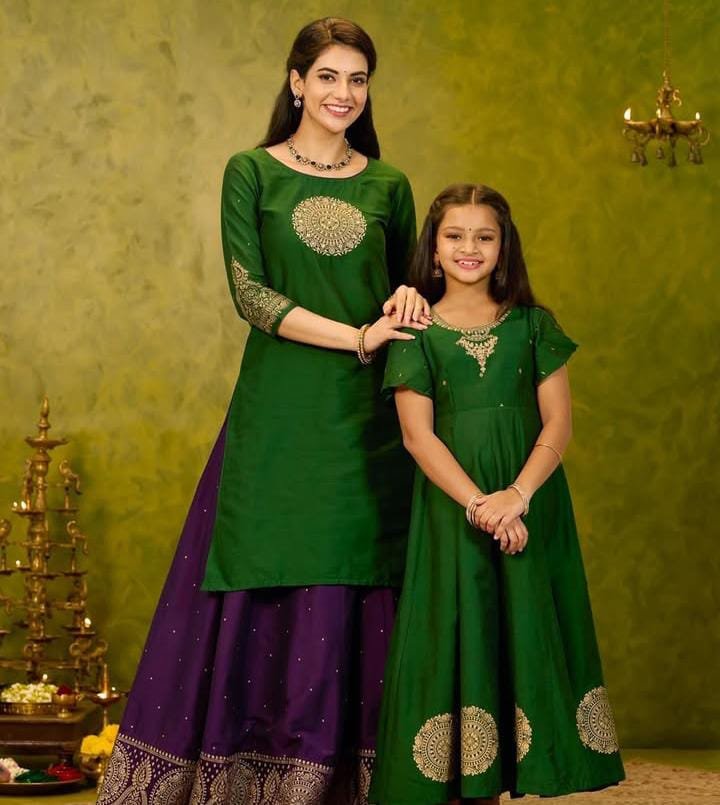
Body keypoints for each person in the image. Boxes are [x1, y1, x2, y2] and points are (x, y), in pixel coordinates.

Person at [98, 18, 431, 805]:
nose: (343, 93)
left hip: (366, 416)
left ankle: (358, 778)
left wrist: (407, 300)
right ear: (296, 82)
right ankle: (255, 773)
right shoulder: (250, 171)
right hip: (280, 404)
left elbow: (410, 286)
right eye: (328, 77)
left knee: (360, 566)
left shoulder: (388, 185)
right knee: (263, 557)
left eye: (358, 79)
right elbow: (251, 295)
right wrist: (357, 336)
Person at [369, 184, 625, 804]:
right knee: (463, 630)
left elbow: (558, 425)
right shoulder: (413, 334)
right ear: (433, 250)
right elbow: (417, 437)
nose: (470, 248)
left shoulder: (535, 326)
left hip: (531, 506)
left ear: (504, 247)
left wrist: (517, 495)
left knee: (523, 626)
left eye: (485, 236)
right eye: (455, 236)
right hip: (452, 510)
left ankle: (521, 772)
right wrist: (481, 505)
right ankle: (466, 782)